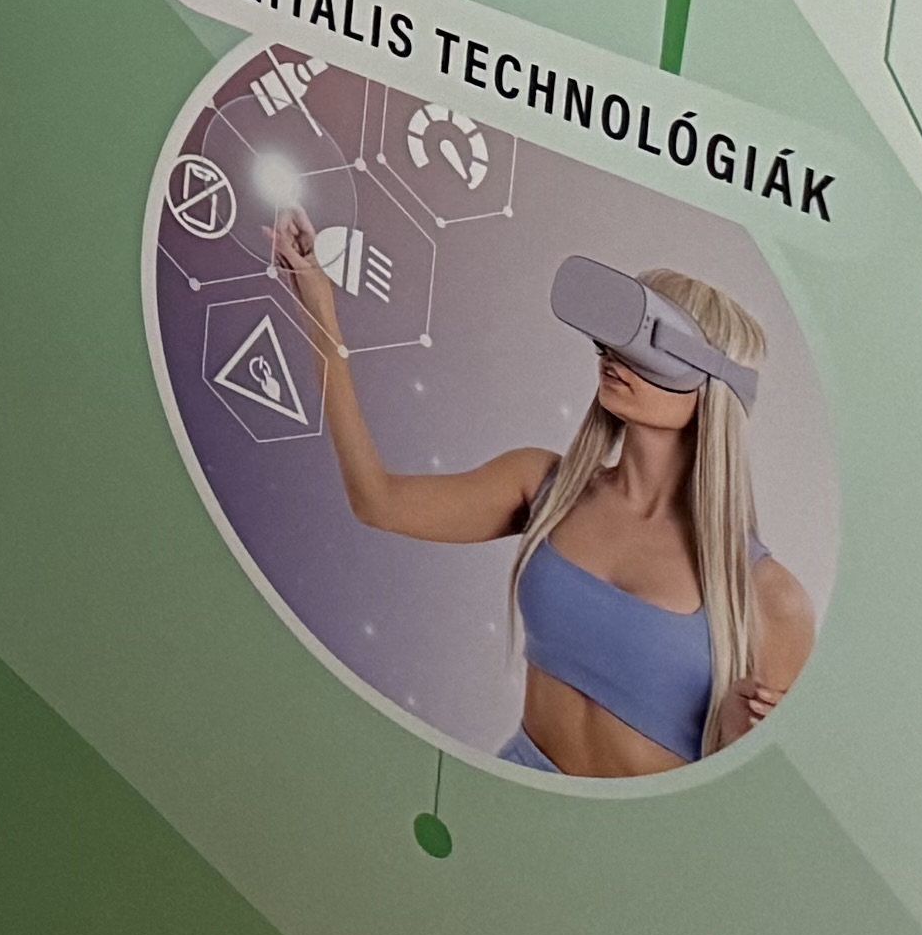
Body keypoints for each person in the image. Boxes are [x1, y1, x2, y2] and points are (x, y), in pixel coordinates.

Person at [268, 225, 821, 773]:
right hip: (513, 790)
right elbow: (377, 501)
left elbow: (746, 804)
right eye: (614, 337)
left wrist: (728, 745)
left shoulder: (768, 598)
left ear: (710, 386)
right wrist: (320, 310)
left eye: (645, 345)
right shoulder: (545, 487)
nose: (613, 355)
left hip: (635, 831)